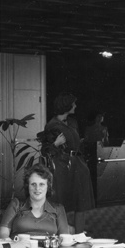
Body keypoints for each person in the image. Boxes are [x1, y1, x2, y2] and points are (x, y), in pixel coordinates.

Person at [43, 92, 95, 233]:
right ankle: (63, 234)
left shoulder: (72, 122)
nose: (76, 106)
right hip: (62, 166)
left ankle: (79, 235)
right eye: (73, 103)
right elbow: (46, 150)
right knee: (61, 203)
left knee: (81, 203)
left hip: (78, 163)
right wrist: (56, 143)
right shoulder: (52, 125)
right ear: (66, 105)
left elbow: (75, 141)